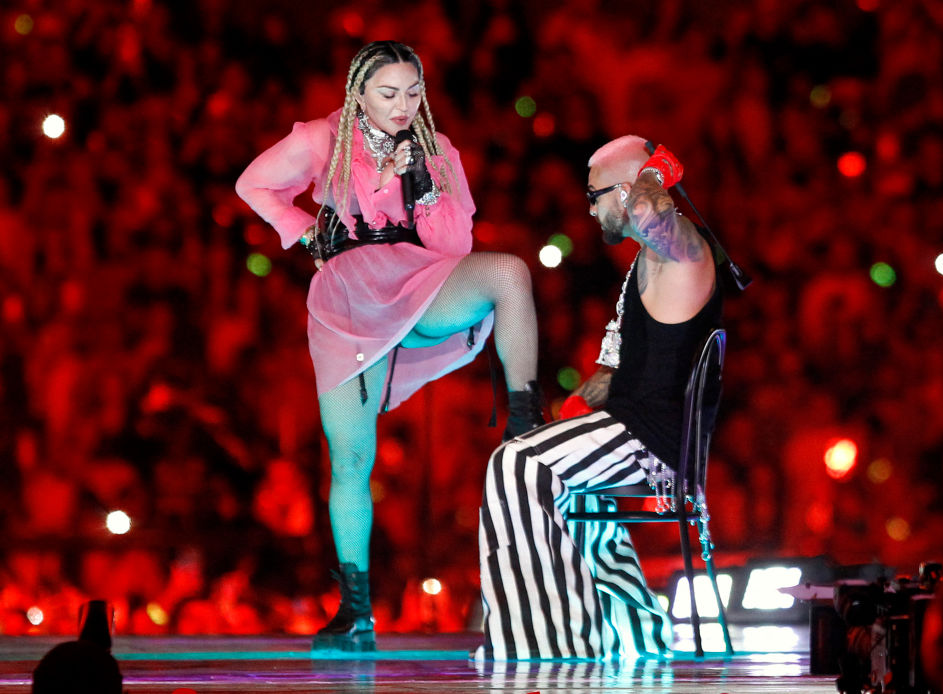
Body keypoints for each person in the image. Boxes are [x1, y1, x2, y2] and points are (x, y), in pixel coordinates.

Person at [235, 41, 544, 651]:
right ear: (358, 93)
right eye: (388, 93)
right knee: (351, 461)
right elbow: (253, 184)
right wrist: (305, 232)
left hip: (416, 281)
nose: (403, 105)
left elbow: (454, 247)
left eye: (413, 92)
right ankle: (355, 611)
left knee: (509, 272)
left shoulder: (437, 147)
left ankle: (526, 426)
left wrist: (423, 184)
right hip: (349, 300)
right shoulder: (322, 138)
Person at [476, 135, 721, 659]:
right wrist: (573, 411)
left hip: (652, 441)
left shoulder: (681, 245)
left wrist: (653, 174)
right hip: (634, 428)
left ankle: (549, 641)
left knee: (517, 465)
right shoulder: (648, 260)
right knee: (551, 471)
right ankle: (632, 631)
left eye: (595, 196)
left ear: (629, 190)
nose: (590, 209)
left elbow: (652, 214)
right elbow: (625, 371)